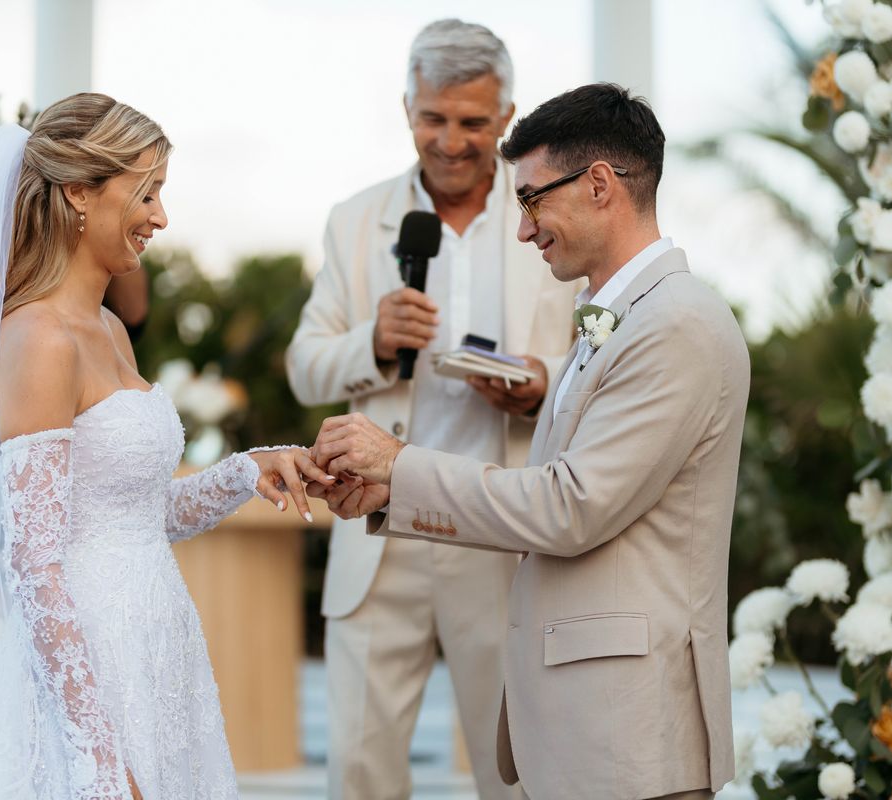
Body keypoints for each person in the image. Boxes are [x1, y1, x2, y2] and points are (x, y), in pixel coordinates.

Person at [0, 93, 332, 800]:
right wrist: (96, 757)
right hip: (88, 676)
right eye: (146, 193)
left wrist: (247, 470)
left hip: (159, 655)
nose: (161, 217)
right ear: (80, 193)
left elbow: (137, 517)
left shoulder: (111, 331)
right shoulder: (40, 340)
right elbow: (34, 565)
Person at [310, 83, 749, 800]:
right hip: (590, 726)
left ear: (599, 185)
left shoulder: (676, 323)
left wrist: (400, 464)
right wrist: (392, 488)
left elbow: (570, 507)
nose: (522, 229)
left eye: (532, 198)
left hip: (627, 732)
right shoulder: (616, 315)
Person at [285, 19, 581, 800]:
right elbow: (303, 367)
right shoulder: (355, 219)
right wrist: (371, 344)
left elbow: (604, 358)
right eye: (433, 118)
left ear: (508, 116)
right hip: (380, 529)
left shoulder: (550, 215)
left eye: (473, 122)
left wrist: (543, 383)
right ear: (407, 108)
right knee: (359, 772)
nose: (450, 142)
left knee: (516, 771)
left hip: (501, 529)